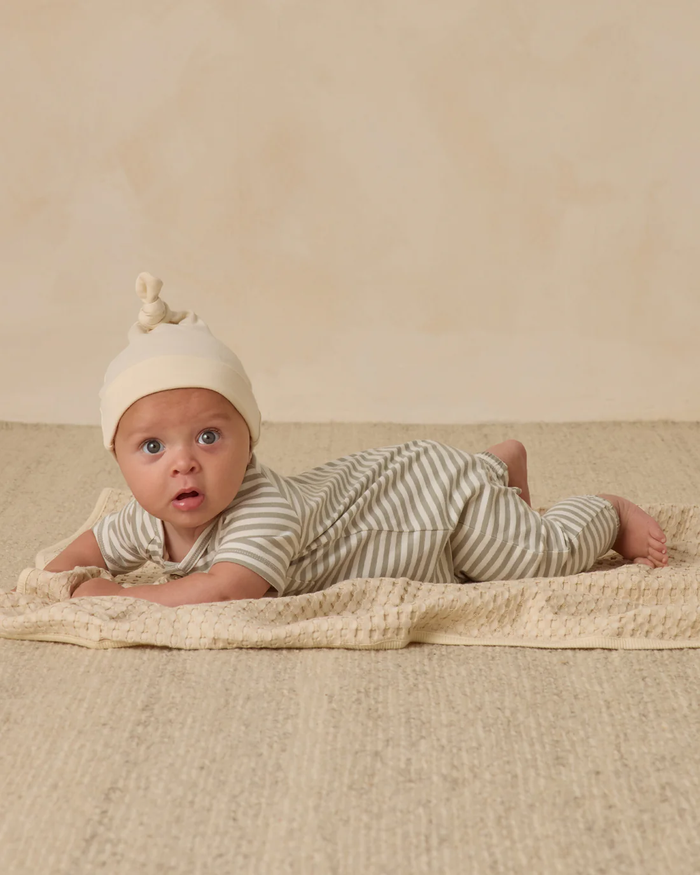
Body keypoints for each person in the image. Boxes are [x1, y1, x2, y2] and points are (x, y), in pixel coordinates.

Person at [45, 273, 668, 607]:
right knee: (498, 535)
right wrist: (53, 579)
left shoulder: (260, 510)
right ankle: (494, 465)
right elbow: (89, 548)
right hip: (407, 480)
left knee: (524, 563)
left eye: (209, 436)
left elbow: (223, 590)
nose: (184, 463)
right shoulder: (148, 518)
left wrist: (124, 599)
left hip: (438, 513)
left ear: (249, 439)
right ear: (119, 458)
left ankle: (601, 514)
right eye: (152, 448)